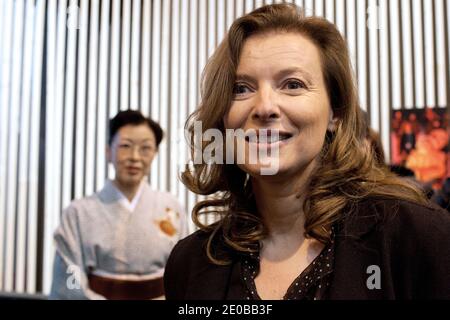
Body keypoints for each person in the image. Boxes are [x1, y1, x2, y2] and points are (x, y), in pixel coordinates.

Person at [164, 3, 450, 299]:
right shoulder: (190, 263)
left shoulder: (414, 236)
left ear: (335, 113)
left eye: (292, 84)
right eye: (241, 88)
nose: (264, 107)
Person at [50, 110, 188, 299]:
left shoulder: (172, 208)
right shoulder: (78, 213)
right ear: (108, 151)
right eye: (125, 146)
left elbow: (184, 275)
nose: (135, 157)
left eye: (145, 148)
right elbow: (69, 280)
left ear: (155, 154)